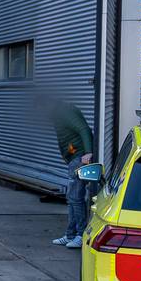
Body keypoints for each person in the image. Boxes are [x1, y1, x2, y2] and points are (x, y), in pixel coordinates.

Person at [39, 96, 94, 249]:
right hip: (74, 159)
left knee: (75, 197)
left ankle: (81, 235)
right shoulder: (59, 113)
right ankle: (71, 234)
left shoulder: (65, 112)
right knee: (72, 198)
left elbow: (84, 129)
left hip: (79, 159)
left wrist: (88, 152)